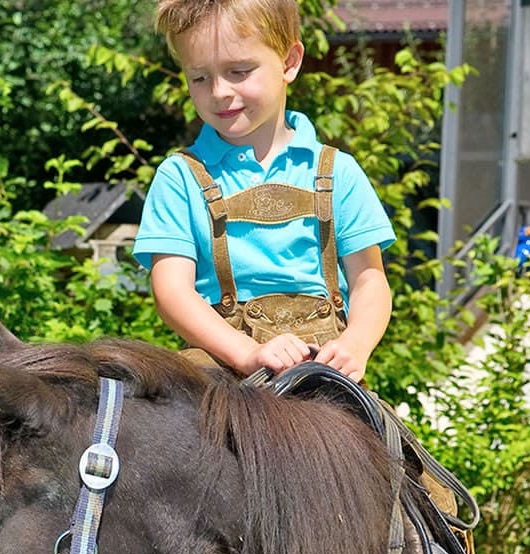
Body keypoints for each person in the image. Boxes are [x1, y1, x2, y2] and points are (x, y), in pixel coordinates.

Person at [132, 0, 395, 383]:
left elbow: (369, 280)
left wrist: (355, 344)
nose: (219, 91)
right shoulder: (180, 177)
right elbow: (172, 291)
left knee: (388, 442)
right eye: (199, 78)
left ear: (289, 62)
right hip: (220, 370)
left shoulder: (337, 172)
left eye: (238, 71)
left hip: (324, 370)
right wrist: (247, 353)